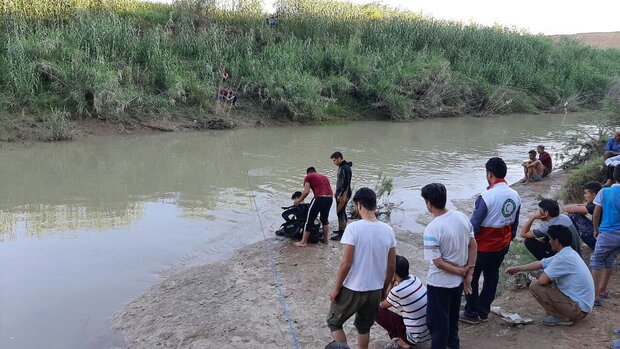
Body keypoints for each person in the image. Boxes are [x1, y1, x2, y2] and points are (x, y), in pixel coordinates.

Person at [327, 188, 396, 349]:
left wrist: (336, 288)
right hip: (375, 289)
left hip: (354, 287)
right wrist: (384, 289)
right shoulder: (388, 230)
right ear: (375, 206)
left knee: (334, 322)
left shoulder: (354, 228)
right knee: (364, 327)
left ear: (359, 205)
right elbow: (391, 265)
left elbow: (346, 264)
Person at [460, 157, 521, 325]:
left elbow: (473, 226)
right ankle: (484, 311)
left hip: (482, 248)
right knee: (492, 278)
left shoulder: (486, 196)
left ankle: (471, 312)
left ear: (489, 174)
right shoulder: (515, 195)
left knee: (471, 278)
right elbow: (514, 223)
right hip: (501, 247)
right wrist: (508, 241)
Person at [422, 183, 477, 349]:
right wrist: (468, 273)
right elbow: (473, 245)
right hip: (457, 283)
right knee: (452, 321)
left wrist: (461, 270)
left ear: (429, 204)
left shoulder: (432, 228)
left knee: (437, 325)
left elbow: (438, 263)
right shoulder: (461, 217)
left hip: (439, 284)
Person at [506, 225, 594, 326]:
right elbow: (541, 263)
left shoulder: (563, 258)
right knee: (549, 280)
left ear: (556, 241)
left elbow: (542, 281)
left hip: (577, 310)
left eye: (550, 239)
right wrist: (517, 269)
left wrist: (544, 274)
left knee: (535, 286)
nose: (548, 241)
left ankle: (562, 317)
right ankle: (563, 313)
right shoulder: (569, 253)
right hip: (582, 307)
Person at [375, 255, 430, 349]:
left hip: (414, 337)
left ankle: (401, 342)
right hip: (427, 331)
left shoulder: (397, 291)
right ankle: (403, 340)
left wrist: (391, 283)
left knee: (374, 311)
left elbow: (382, 304)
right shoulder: (414, 278)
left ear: (393, 272)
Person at [591, 165, 620, 306]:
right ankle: (603, 290)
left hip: (607, 232)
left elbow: (596, 214)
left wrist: (595, 229)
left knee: (597, 261)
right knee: (610, 260)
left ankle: (596, 296)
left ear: (614, 176)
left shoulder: (604, 192)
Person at [294, 167, 333, 247]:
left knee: (309, 220)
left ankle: (303, 242)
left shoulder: (308, 177)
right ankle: (325, 241)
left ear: (308, 173)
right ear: (315, 172)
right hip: (330, 198)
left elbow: (306, 191)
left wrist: (299, 200)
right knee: (324, 220)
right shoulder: (324, 177)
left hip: (319, 198)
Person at [565, 181, 603, 250]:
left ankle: (574, 244)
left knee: (572, 216)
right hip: (605, 234)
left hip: (601, 239)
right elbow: (581, 206)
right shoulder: (601, 201)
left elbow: (567, 209)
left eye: (586, 193)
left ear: (594, 195)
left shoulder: (595, 206)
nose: (584, 195)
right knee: (575, 213)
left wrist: (578, 209)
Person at [330, 151, 353, 241]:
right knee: (341, 211)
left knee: (340, 212)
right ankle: (342, 230)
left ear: (339, 158)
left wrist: (341, 194)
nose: (334, 162)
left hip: (344, 193)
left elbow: (346, 182)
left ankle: (342, 233)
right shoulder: (342, 167)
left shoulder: (345, 168)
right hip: (341, 192)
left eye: (334, 160)